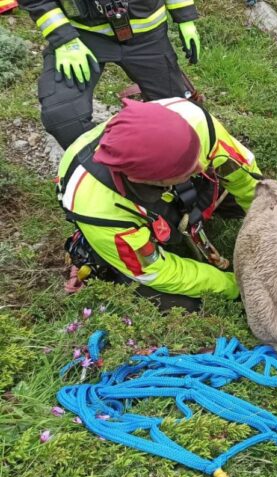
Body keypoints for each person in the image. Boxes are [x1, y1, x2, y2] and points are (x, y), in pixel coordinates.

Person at [57, 98, 262, 310]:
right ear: (145, 181)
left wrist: (268, 224)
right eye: (188, 169)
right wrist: (234, 286)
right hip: (128, 217)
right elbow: (159, 272)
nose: (201, 165)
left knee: (248, 197)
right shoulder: (101, 212)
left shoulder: (193, 120)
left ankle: (186, 197)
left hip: (171, 189)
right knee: (178, 302)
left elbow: (246, 178)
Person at [19, 0, 201, 149]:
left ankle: (177, 173)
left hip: (147, 36)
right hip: (82, 37)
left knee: (182, 118)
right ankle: (108, 171)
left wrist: (185, 17)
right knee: (63, 116)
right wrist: (64, 39)